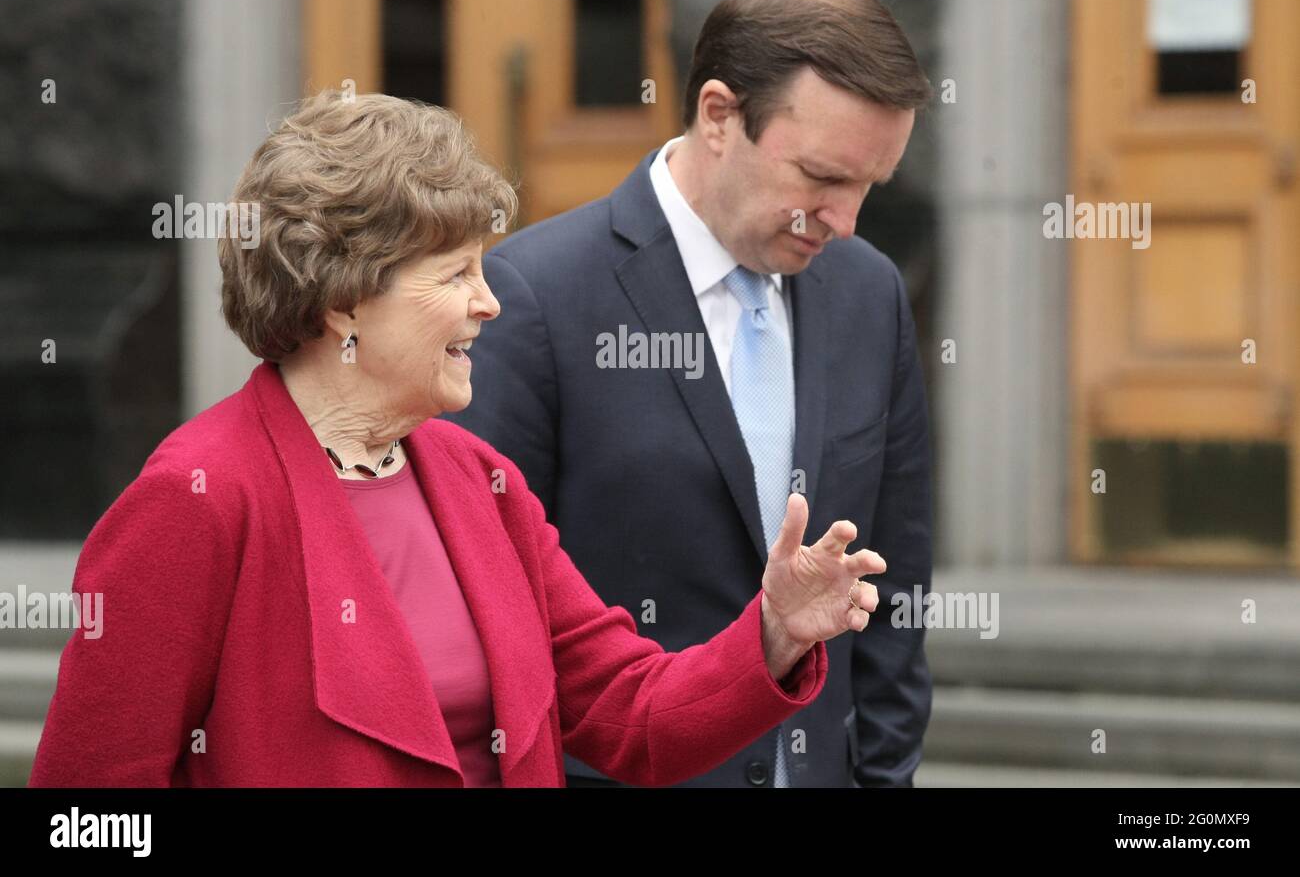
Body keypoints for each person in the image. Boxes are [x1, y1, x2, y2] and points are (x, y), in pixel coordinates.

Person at [27, 88, 886, 788]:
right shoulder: (201, 498)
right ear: (343, 300)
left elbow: (630, 716)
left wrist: (775, 632)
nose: (491, 302)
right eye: (455, 275)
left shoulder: (482, 481)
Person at [445, 0, 934, 787]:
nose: (846, 222)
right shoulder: (532, 295)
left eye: (868, 188)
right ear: (719, 116)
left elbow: (897, 590)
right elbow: (486, 608)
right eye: (821, 179)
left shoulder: (868, 291)